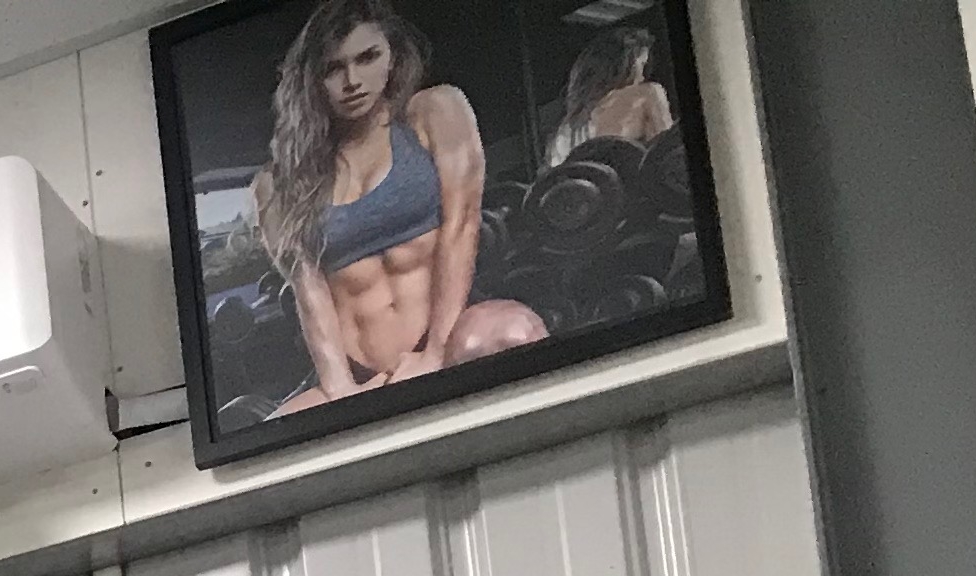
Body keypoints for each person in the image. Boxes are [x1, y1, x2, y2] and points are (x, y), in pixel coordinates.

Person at [250, 5, 547, 410]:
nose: (352, 81)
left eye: (367, 58)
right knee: (277, 432)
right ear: (311, 80)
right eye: (333, 69)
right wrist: (343, 394)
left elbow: (462, 226)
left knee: (515, 334)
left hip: (449, 334)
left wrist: (436, 354)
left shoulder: (434, 112)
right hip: (358, 374)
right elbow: (310, 292)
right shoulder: (278, 182)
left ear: (391, 56)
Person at [546, 26, 678, 166]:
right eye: (642, 66)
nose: (643, 76)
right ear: (627, 66)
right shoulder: (647, 93)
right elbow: (669, 156)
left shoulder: (564, 130)